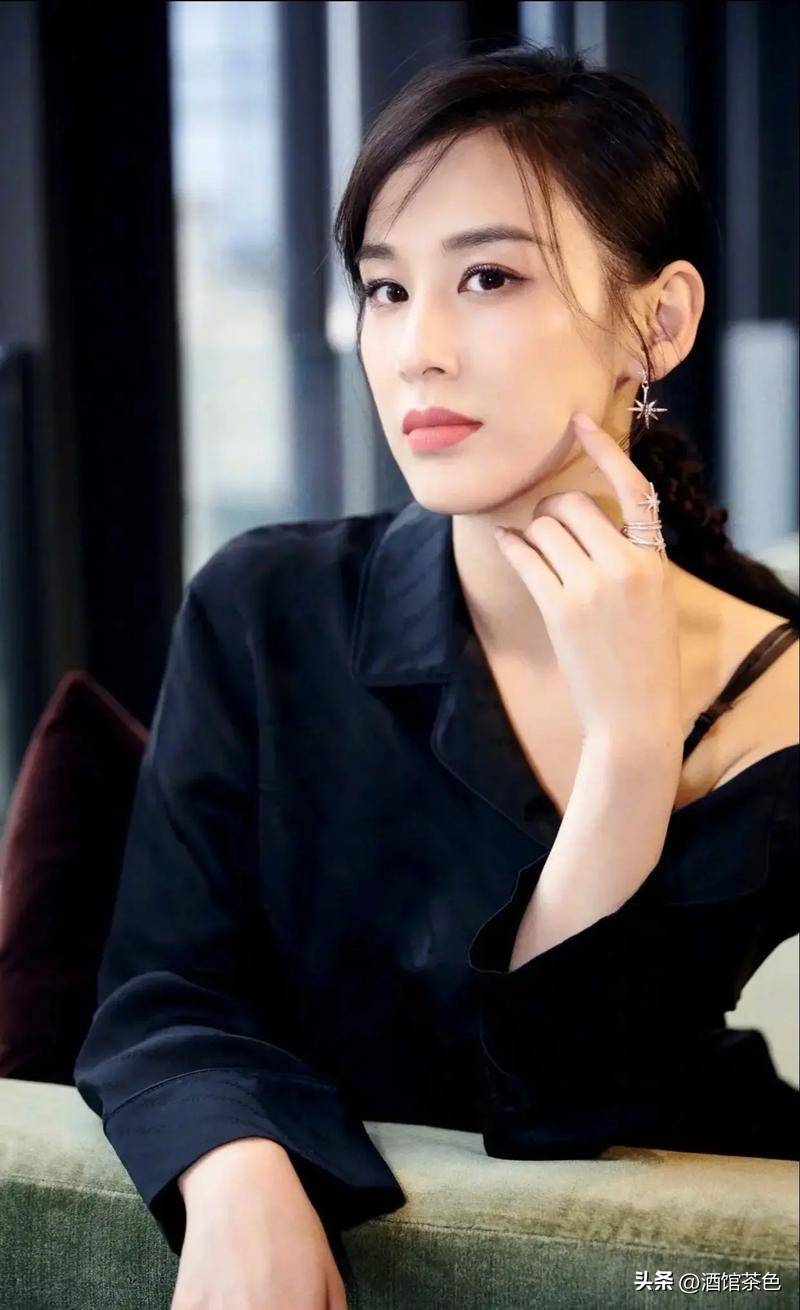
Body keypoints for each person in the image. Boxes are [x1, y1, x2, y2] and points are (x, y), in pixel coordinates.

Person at [73, 43, 799, 1310]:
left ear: (659, 323)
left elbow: (557, 1103)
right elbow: (161, 990)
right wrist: (234, 1165)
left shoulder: (775, 698)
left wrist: (630, 756)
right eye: (385, 288)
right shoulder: (264, 607)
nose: (417, 349)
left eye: (487, 276)